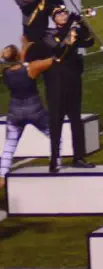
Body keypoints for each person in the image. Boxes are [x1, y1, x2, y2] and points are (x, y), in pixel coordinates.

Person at [42, 0, 95, 173]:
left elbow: (89, 41)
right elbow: (57, 49)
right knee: (56, 122)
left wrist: (82, 23)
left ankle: (78, 157)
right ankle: (54, 158)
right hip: (56, 83)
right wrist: (70, 29)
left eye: (65, 12)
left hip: (73, 80)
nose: (64, 15)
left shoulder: (73, 31)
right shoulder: (47, 33)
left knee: (75, 119)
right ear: (53, 17)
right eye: (60, 13)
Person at [0, 42, 61, 189]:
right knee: (55, 135)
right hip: (35, 111)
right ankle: (56, 164)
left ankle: (2, 177)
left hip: (14, 113)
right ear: (19, 55)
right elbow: (53, 60)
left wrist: (23, 50)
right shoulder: (31, 68)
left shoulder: (5, 73)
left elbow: (17, 64)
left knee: (9, 146)